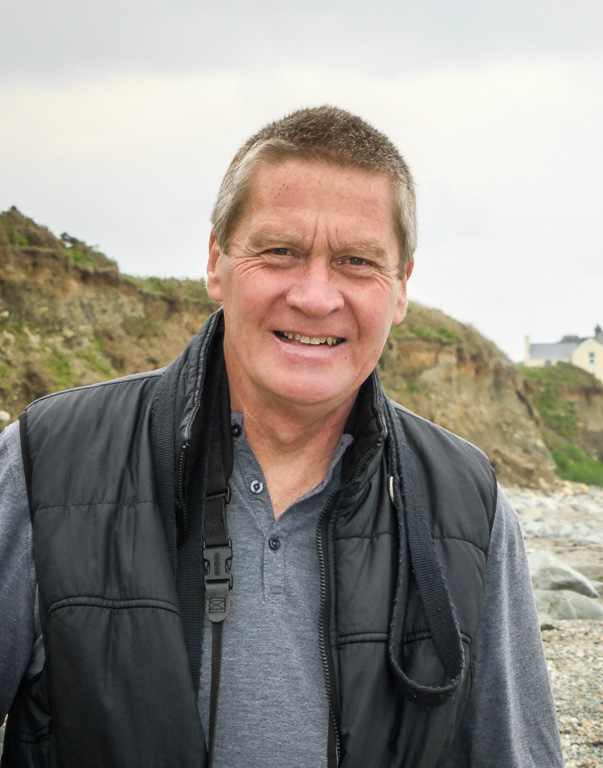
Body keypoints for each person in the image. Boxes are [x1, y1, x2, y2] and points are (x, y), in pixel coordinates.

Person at [0, 106, 564, 767]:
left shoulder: (470, 508)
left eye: (357, 261)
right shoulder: (49, 464)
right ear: (217, 260)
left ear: (402, 287)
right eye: (280, 252)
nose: (316, 296)